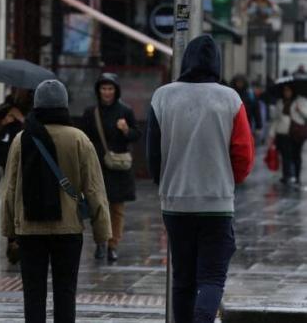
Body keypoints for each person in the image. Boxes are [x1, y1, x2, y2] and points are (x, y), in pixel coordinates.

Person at [146, 35, 254, 323]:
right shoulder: (230, 98)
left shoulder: (162, 96)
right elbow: (243, 153)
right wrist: (230, 181)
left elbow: (152, 153)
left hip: (176, 203)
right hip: (216, 203)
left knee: (182, 279)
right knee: (211, 278)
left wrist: (165, 182)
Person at [1, 80, 112, 323]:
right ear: (64, 105)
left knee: (33, 293)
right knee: (65, 291)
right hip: (68, 229)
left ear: (36, 105)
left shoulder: (22, 139)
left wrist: (10, 228)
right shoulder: (79, 139)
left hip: (29, 229)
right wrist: (102, 232)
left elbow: (10, 188)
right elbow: (94, 188)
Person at [82, 73, 140, 262]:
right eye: (104, 88)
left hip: (118, 168)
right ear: (98, 91)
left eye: (110, 89)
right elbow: (84, 138)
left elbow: (136, 134)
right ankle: (100, 242)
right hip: (97, 166)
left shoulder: (125, 111)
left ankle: (112, 245)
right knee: (97, 207)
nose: (107, 92)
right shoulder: (91, 112)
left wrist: (125, 130)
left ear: (116, 91)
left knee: (117, 209)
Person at [268, 84, 307, 184]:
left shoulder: (300, 101)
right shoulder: (280, 102)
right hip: (282, 132)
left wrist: (300, 110)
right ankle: (287, 175)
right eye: (285, 90)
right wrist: (272, 134)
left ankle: (296, 176)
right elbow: (276, 119)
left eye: (289, 90)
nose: (287, 92)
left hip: (296, 133)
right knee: (285, 155)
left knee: (296, 155)